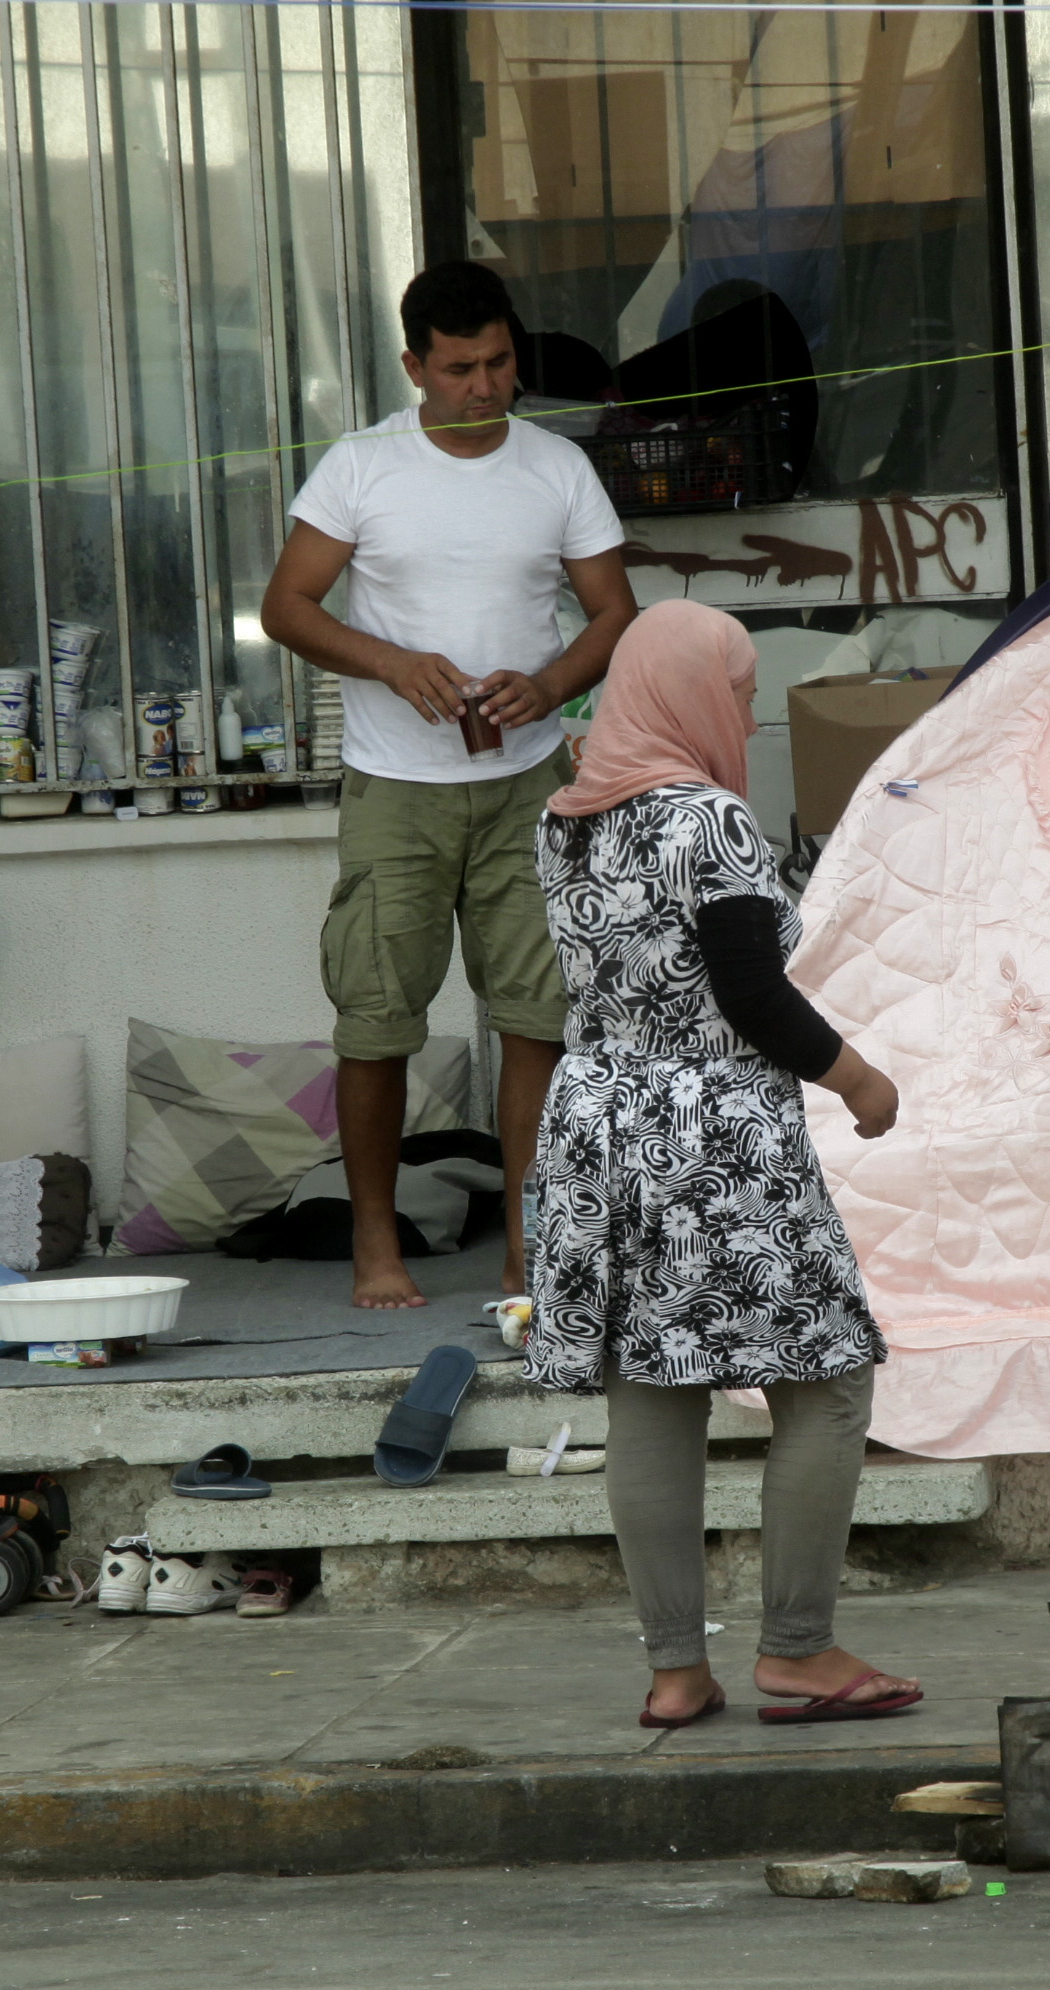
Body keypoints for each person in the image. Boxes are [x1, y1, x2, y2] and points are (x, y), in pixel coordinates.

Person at [520, 599, 917, 1730]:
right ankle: (799, 1649)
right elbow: (751, 995)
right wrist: (858, 1078)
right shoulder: (711, 822)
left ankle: (675, 1670)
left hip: (600, 1122)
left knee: (651, 1387)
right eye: (739, 691)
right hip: (714, 1135)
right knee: (829, 1380)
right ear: (689, 693)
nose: (744, 708)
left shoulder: (566, 819)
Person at [261, 263, 638, 1309]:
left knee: (539, 1017)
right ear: (414, 367)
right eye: (463, 368)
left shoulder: (557, 466)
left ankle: (529, 1255)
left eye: (502, 363)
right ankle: (375, 1249)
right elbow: (287, 605)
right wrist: (392, 662)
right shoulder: (361, 466)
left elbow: (614, 612)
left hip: (529, 785)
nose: (488, 387)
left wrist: (552, 683)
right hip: (397, 788)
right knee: (377, 1021)